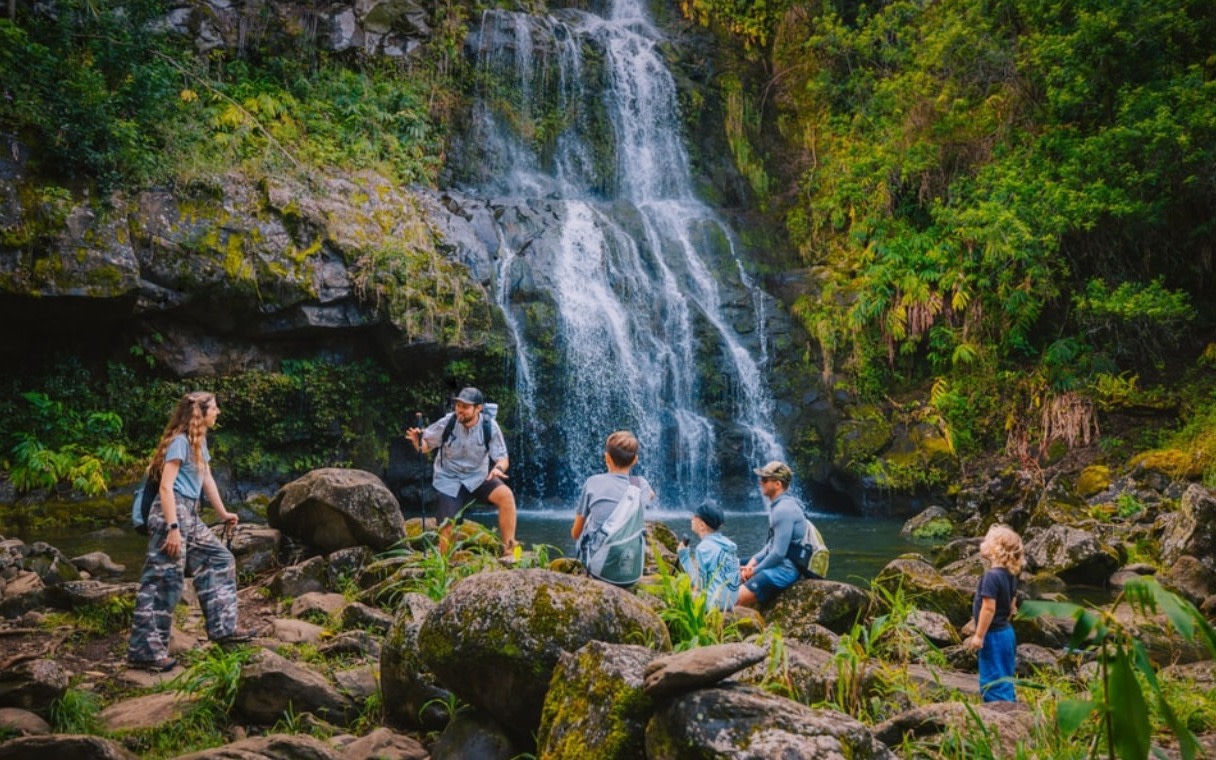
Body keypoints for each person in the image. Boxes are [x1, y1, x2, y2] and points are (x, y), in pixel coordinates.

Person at [127, 391, 252, 672]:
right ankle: (144, 653)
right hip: (169, 514)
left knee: (219, 559)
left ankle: (223, 628)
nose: (218, 412)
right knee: (163, 581)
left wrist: (223, 513)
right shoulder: (180, 442)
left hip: (189, 514)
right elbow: (165, 487)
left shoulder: (198, 441)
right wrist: (172, 528)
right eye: (214, 408)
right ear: (200, 412)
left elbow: (206, 479)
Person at [407, 387, 517, 558]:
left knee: (506, 496)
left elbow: (502, 458)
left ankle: (509, 551)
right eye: (458, 405)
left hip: (478, 476)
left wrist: (498, 469)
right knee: (447, 524)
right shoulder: (448, 422)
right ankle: (448, 563)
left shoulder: (489, 426)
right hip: (449, 479)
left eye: (465, 406)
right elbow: (426, 446)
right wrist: (418, 442)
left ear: (478, 408)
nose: (459, 409)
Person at [570, 430, 656, 576]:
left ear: (607, 458)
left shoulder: (592, 483)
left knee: (588, 522)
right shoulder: (641, 485)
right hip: (631, 571)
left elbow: (575, 533)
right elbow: (652, 495)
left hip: (598, 569)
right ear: (635, 460)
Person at [964, 524, 1024, 702]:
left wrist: (979, 636)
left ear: (996, 549)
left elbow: (988, 608)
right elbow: (1012, 606)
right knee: (1004, 675)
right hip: (1006, 633)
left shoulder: (991, 576)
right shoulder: (1010, 575)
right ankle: (1010, 705)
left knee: (991, 680)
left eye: (986, 540)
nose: (982, 543)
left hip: (993, 635)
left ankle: (997, 711)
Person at [737, 460, 808, 607]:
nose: (760, 482)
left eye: (764, 479)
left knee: (734, 600)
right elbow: (771, 544)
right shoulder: (779, 506)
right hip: (777, 563)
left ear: (777, 484)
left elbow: (778, 553)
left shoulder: (784, 510)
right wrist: (753, 561)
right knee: (733, 564)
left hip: (784, 570)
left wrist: (754, 571)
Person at [677, 502, 741, 611]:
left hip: (714, 604)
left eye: (695, 516)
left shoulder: (703, 548)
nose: (692, 518)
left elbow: (699, 584)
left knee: (680, 592)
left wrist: (684, 557)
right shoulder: (729, 544)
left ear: (702, 525)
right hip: (731, 602)